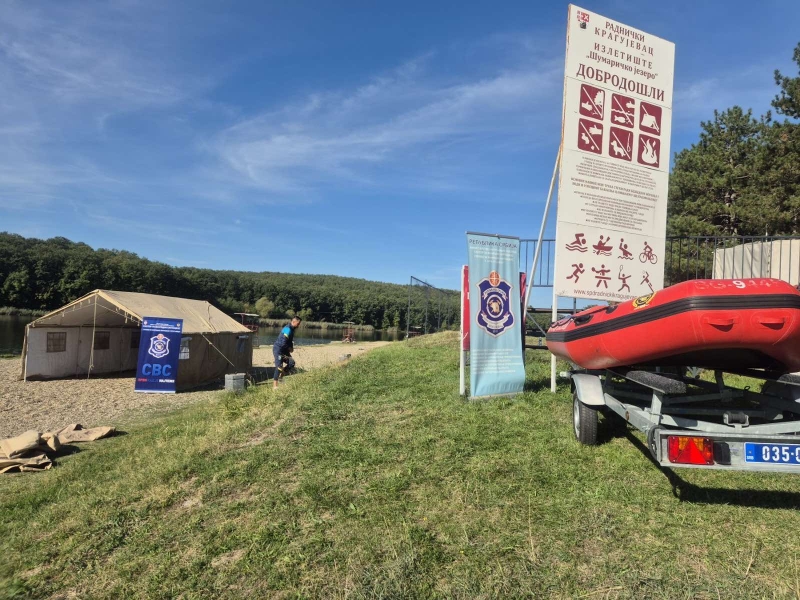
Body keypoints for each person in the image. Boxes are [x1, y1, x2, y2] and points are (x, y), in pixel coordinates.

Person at [273, 316, 301, 389]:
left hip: (284, 350)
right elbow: (283, 343)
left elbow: (289, 341)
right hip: (278, 349)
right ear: (293, 322)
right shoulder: (288, 329)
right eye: (298, 324)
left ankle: (281, 377)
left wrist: (291, 347)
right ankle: (275, 386)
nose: (298, 325)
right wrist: (289, 348)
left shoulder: (292, 329)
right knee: (279, 367)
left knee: (291, 363)